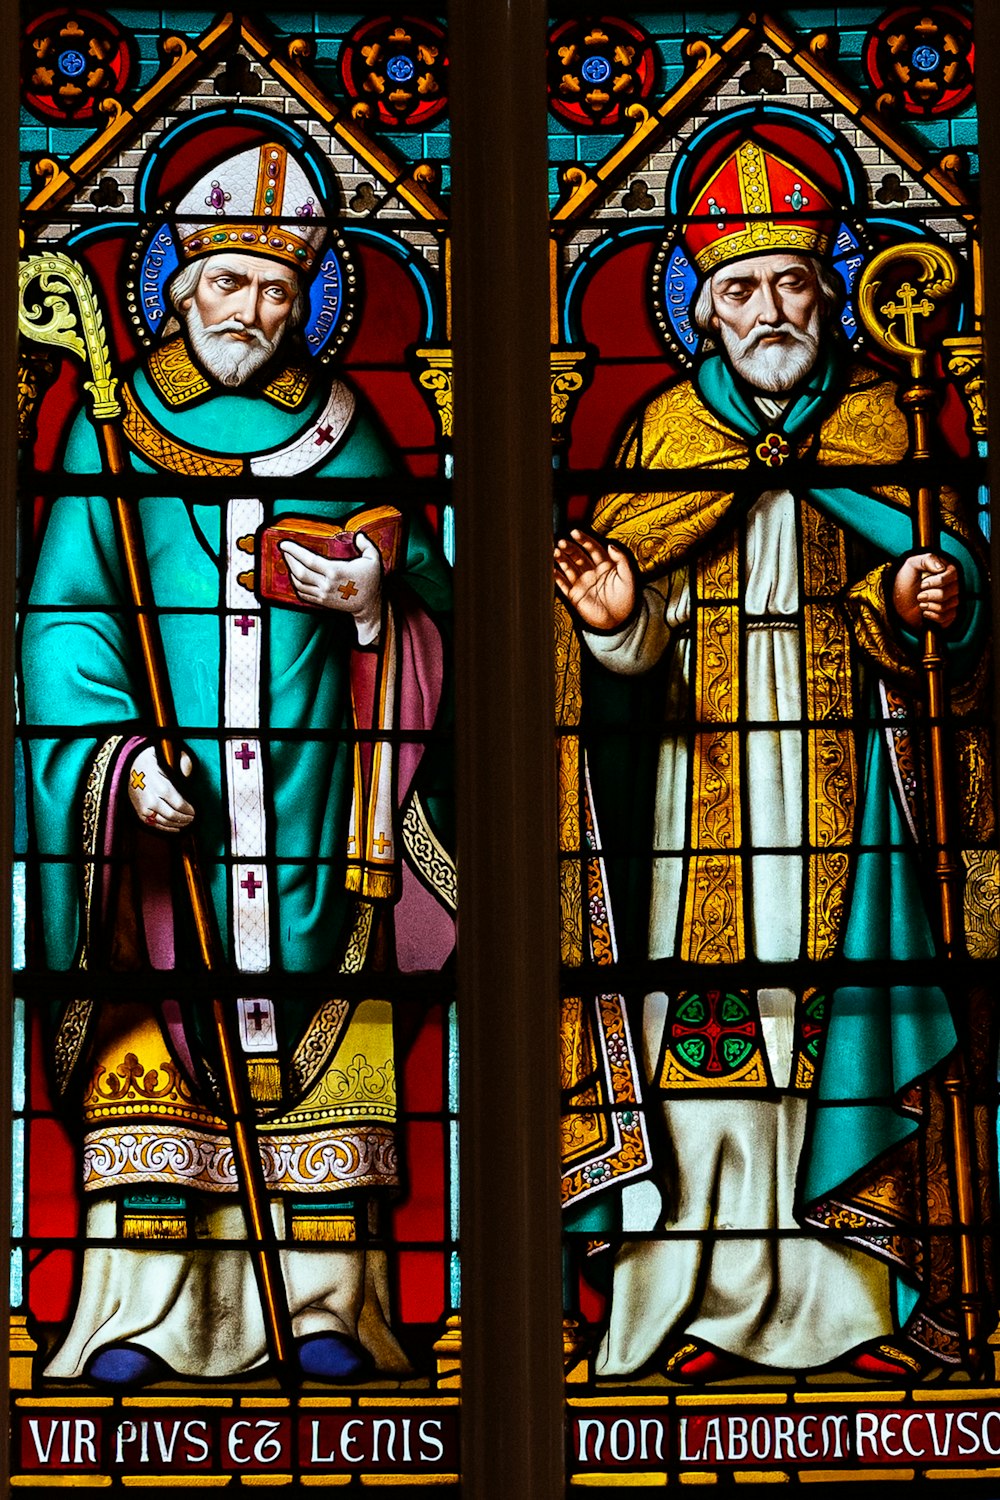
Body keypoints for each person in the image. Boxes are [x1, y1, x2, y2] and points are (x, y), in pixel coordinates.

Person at [554, 127, 986, 1381]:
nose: (768, 308)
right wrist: (617, 621)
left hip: (854, 809)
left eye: (790, 281)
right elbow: (626, 659)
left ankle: (852, 1310)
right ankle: (693, 1299)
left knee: (837, 1024)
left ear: (826, 289)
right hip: (700, 807)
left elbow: (956, 595)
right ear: (701, 307)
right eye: (738, 288)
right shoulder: (664, 439)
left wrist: (936, 596)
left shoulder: (879, 424)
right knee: (711, 1038)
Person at [22, 139, 454, 1385]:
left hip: (324, 802)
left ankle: (332, 1310)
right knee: (157, 1029)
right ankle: (145, 1316)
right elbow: (63, 619)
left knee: (328, 1025)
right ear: (178, 288)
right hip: (173, 817)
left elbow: (432, 591)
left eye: (276, 290)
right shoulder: (116, 430)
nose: (251, 313)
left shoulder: (343, 425)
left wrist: (375, 597)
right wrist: (114, 761)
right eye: (227, 284)